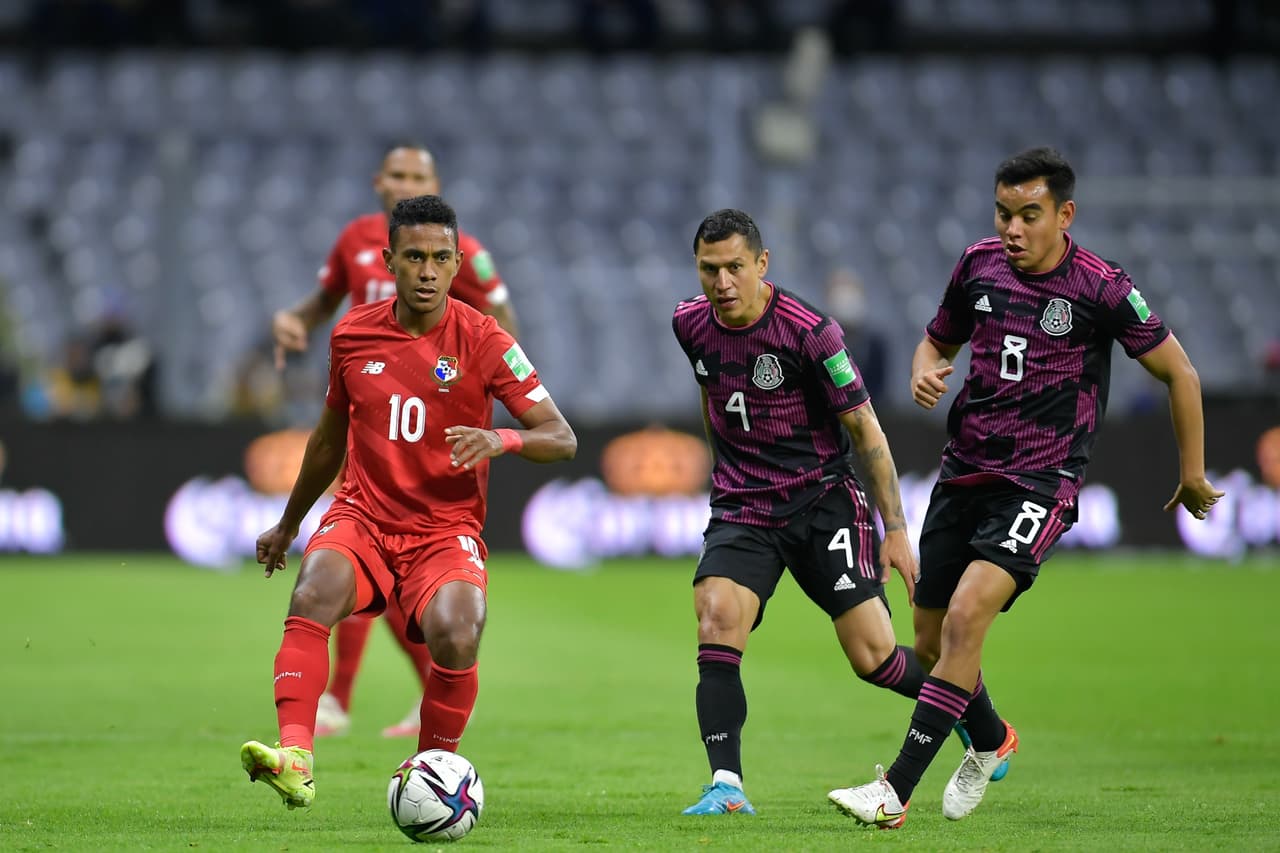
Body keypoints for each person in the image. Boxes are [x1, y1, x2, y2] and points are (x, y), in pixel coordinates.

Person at [828, 147, 1224, 828]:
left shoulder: (1100, 287)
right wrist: (928, 370)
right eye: (1004, 212)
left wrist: (1191, 472)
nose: (1012, 228)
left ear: (1065, 215)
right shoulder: (977, 264)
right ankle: (989, 736)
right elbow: (936, 341)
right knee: (927, 640)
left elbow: (1180, 372)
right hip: (964, 471)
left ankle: (894, 790)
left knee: (964, 620)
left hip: (1041, 480)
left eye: (1029, 215)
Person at [240, 195, 576, 810]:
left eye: (441, 258)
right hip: (363, 516)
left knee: (458, 630)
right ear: (389, 261)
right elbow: (326, 440)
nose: (427, 270)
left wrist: (500, 437)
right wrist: (289, 523)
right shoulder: (351, 333)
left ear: (457, 266)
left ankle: (431, 771)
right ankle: (296, 755)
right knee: (313, 592)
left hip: (444, 530)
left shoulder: (484, 338)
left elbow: (561, 437)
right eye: (415, 257)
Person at [671, 208, 923, 816]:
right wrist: (723, 476)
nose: (722, 282)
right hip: (744, 506)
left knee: (875, 658)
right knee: (716, 616)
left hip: (822, 501)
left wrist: (894, 530)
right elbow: (712, 399)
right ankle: (726, 786)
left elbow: (864, 428)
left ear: (762, 264)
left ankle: (973, 708)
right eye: (710, 270)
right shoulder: (689, 324)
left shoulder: (812, 332)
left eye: (735, 267)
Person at [271, 143, 519, 740]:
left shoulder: (468, 255)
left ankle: (364, 695)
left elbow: (505, 324)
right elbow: (325, 301)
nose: (404, 183)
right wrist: (298, 321)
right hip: (369, 409)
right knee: (350, 557)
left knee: (384, 564)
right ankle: (334, 701)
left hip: (434, 420)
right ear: (379, 181)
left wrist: (490, 390)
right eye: (398, 175)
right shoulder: (353, 241)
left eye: (418, 176)